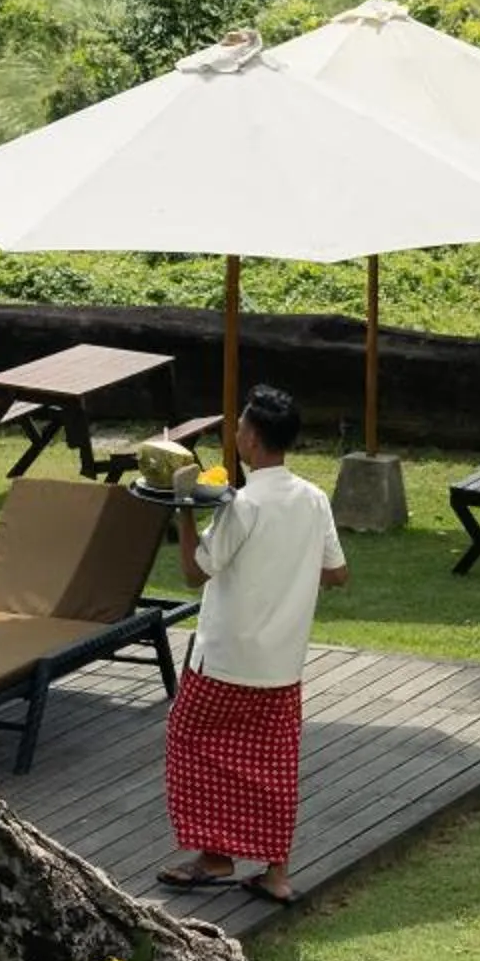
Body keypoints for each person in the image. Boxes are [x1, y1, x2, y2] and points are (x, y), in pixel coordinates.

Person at [158, 383, 347, 903]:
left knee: (190, 743)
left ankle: (214, 855)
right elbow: (338, 573)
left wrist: (184, 511)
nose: (235, 433)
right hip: (282, 663)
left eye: (239, 426)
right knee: (274, 766)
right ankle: (275, 872)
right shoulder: (313, 499)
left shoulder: (242, 506)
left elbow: (196, 573)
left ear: (255, 439)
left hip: (224, 660)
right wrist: (292, 569)